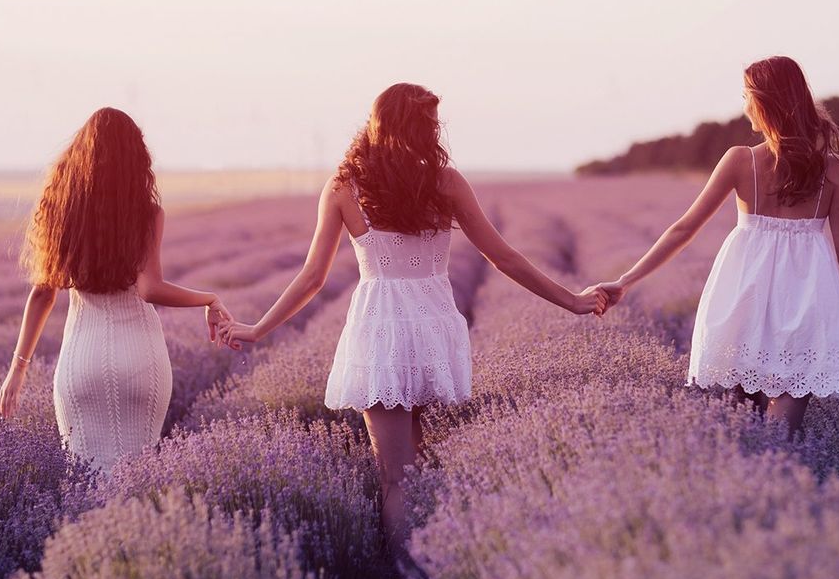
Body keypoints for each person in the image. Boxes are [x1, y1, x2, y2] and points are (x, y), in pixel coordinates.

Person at [218, 83, 607, 554]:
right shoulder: (445, 182)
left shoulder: (344, 187)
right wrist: (571, 300)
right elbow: (503, 257)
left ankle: (406, 577)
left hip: (381, 330)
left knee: (395, 477)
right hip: (432, 328)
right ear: (415, 129)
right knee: (418, 463)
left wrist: (259, 328)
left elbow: (312, 278)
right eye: (430, 124)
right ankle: (428, 564)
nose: (436, 132)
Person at [596, 56, 839, 439]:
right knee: (776, 437)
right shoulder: (834, 170)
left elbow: (683, 229)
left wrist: (625, 281)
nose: (744, 107)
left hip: (743, 303)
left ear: (766, 103)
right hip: (801, 305)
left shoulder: (741, 160)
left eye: (746, 97)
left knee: (747, 435)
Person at [0, 107, 233, 474]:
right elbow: (149, 288)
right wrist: (209, 298)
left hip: (82, 362)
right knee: (136, 477)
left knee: (82, 478)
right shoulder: (148, 214)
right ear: (136, 158)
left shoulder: (63, 213)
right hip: (140, 360)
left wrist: (18, 369)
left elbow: (43, 294)